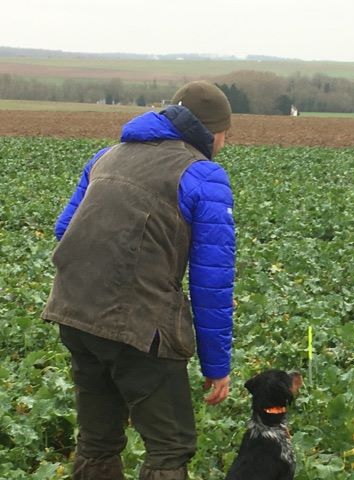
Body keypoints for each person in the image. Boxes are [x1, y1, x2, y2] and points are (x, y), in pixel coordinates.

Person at [42, 80, 236, 480]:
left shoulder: (107, 156)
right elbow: (210, 283)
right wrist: (216, 367)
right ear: (212, 131)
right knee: (170, 447)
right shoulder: (203, 175)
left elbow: (66, 228)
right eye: (225, 134)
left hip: (74, 314)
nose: (225, 143)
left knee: (98, 441)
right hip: (138, 327)